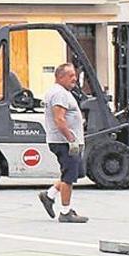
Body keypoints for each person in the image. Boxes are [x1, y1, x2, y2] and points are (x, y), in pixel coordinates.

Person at [38, 63, 89, 223]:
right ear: (60, 77)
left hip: (65, 141)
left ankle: (49, 195)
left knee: (74, 172)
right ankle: (66, 212)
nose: (74, 78)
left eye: (74, 75)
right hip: (64, 142)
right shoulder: (59, 94)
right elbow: (59, 119)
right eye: (71, 76)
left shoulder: (62, 92)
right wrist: (71, 139)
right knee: (68, 177)